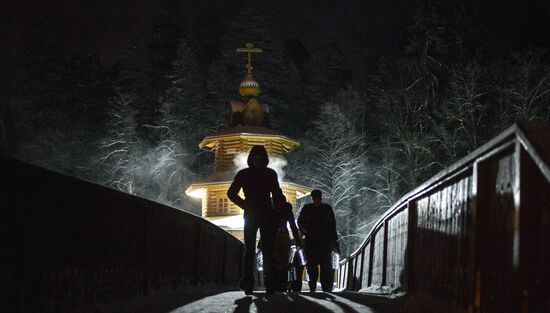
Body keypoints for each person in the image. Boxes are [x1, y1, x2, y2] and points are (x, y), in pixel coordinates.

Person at [227, 145, 286, 295]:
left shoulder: (244, 174)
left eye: (259, 158)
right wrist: (279, 214)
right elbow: (277, 195)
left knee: (252, 250)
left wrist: (245, 204)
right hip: (265, 214)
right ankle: (268, 284)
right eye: (256, 157)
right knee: (264, 250)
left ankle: (249, 283)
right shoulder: (270, 174)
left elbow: (232, 193)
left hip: (254, 214)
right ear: (253, 158)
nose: (258, 160)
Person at [298, 189, 339, 292]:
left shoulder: (309, 208)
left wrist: (306, 233)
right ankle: (320, 287)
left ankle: (317, 287)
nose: (317, 199)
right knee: (320, 265)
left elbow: (300, 222)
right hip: (319, 241)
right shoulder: (326, 208)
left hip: (316, 241)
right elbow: (332, 226)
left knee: (317, 265)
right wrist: (334, 240)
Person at [271, 202, 301, 292]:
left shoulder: (270, 205)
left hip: (271, 236)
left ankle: (273, 283)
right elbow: (292, 225)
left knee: (273, 259)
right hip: (284, 237)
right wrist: (297, 239)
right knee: (285, 261)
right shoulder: (287, 207)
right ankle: (283, 284)